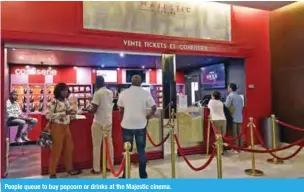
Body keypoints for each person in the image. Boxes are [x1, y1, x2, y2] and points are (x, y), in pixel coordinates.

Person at [117, 75, 156, 179]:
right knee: (141, 151)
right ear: (141, 83)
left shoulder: (124, 93)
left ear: (131, 82)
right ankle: (143, 175)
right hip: (140, 125)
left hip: (127, 125)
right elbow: (154, 107)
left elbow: (121, 109)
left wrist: (122, 119)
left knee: (126, 151)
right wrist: (149, 115)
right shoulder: (145, 93)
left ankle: (125, 175)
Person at [46, 83, 81, 178]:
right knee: (56, 151)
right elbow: (48, 115)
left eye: (66, 90)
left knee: (69, 149)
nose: (66, 92)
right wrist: (64, 113)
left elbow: (69, 112)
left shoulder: (66, 101)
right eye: (64, 90)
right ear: (59, 91)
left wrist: (73, 113)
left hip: (66, 127)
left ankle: (69, 169)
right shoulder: (53, 102)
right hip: (56, 127)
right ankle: (52, 172)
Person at [89, 76, 114, 174]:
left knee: (96, 145)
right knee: (109, 144)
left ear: (97, 82)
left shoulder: (97, 93)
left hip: (98, 122)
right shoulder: (110, 92)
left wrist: (88, 110)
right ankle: (109, 165)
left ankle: (96, 168)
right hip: (108, 121)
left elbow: (94, 109)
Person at [225, 83, 244, 152]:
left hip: (233, 117)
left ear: (230, 88)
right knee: (240, 134)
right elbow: (242, 106)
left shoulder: (230, 96)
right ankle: (240, 148)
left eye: (228, 87)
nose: (227, 89)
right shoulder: (240, 97)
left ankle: (235, 148)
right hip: (240, 117)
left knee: (234, 134)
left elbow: (226, 106)